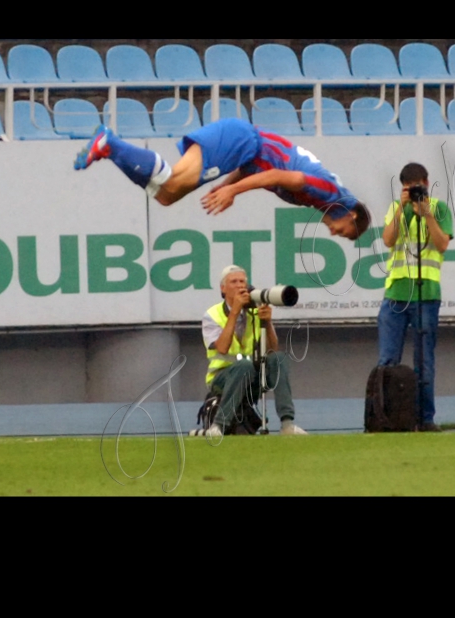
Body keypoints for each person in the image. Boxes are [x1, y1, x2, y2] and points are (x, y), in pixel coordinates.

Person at [73, 117, 370, 240]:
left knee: (166, 196)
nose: (334, 233)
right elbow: (276, 174)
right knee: (174, 181)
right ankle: (110, 143)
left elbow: (259, 171)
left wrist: (225, 186)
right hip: (242, 140)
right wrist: (233, 192)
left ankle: (109, 151)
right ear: (352, 214)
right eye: (344, 231)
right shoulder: (329, 192)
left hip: (243, 151)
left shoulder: (320, 201)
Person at [378, 163, 454, 433]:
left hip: (426, 293)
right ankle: (386, 417)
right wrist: (402, 208)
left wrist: (427, 215)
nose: (413, 192)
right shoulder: (395, 209)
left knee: (424, 361)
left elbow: (442, 244)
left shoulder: (439, 208)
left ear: (426, 182)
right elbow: (388, 240)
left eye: (417, 187)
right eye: (408, 188)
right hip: (396, 292)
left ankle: (425, 418)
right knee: (388, 360)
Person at [201, 265, 307, 437]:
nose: (240, 286)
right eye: (234, 282)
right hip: (222, 378)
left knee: (278, 359)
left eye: (242, 281)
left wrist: (268, 322)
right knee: (243, 365)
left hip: (251, 376)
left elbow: (272, 349)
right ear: (223, 288)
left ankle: (287, 424)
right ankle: (218, 426)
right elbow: (222, 347)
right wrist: (234, 312)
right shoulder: (212, 315)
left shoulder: (253, 312)